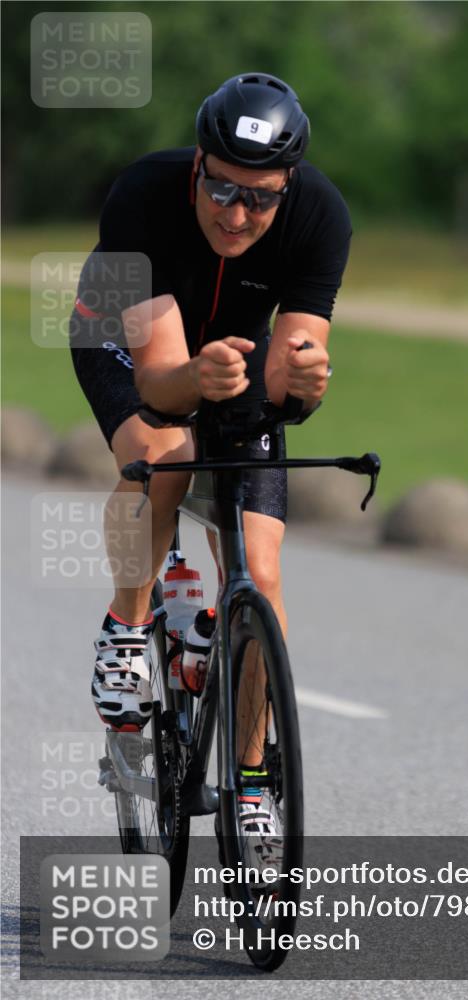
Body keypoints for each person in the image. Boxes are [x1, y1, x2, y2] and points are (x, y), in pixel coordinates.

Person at [69, 72, 351, 828]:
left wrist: (303, 384)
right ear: (197, 166)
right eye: (222, 189)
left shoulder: (320, 215)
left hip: (233, 355)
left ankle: (253, 780)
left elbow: (295, 381)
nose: (237, 214)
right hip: (127, 341)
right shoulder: (143, 195)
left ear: (287, 186)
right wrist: (196, 377)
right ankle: (128, 632)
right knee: (162, 460)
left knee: (259, 571)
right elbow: (163, 386)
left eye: (259, 197)